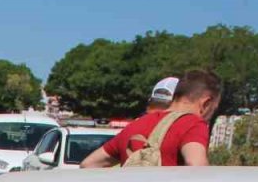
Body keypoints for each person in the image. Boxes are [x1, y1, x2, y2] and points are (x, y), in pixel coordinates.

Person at [81, 70, 222, 168]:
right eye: (213, 109)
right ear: (206, 103)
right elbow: (196, 165)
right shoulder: (193, 124)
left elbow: (88, 164)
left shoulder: (135, 125)